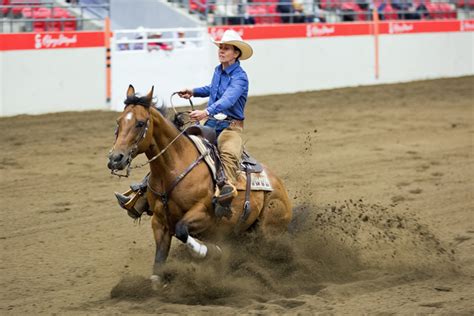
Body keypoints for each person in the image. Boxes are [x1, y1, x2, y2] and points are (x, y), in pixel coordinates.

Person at [115, 29, 253, 219]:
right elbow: (212, 90)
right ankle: (145, 190)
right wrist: (194, 91)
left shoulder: (240, 78)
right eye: (220, 47)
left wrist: (206, 111)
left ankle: (225, 193)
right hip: (210, 123)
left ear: (236, 53)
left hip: (230, 127)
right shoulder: (218, 71)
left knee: (228, 153)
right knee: (177, 148)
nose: (221, 51)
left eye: (226, 48)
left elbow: (228, 99)